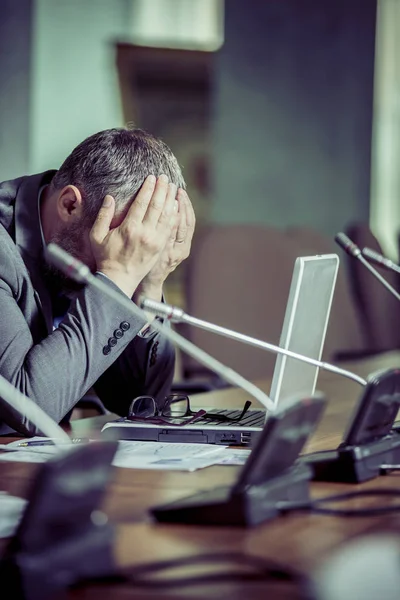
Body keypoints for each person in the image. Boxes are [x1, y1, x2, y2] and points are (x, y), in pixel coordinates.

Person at [0, 127, 195, 435]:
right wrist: (118, 274)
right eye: (120, 241)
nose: (123, 254)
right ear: (69, 205)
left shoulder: (75, 256)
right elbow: (27, 409)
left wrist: (149, 285)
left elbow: (138, 404)